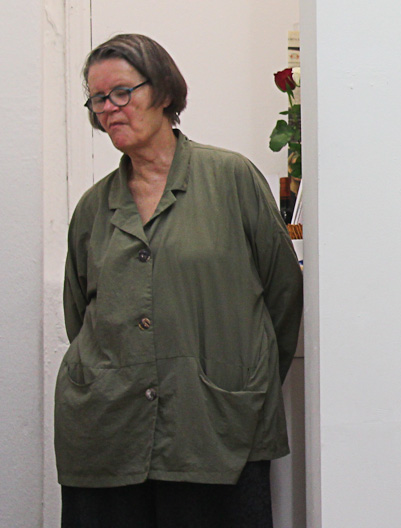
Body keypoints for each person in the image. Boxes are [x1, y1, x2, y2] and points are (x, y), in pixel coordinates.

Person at [56, 34, 303, 528]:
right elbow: (79, 315)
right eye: (98, 99)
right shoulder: (92, 208)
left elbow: (283, 294)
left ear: (164, 91)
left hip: (216, 430)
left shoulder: (231, 178)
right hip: (107, 434)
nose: (109, 108)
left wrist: (242, 385)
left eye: (122, 92)